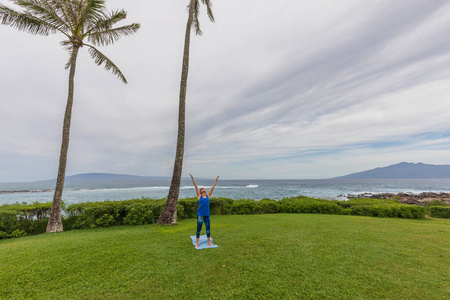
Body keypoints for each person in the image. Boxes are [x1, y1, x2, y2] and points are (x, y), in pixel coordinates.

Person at [189, 174, 219, 248]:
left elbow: (213, 187)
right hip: (200, 215)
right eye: (202, 189)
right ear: (201, 191)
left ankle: (209, 242)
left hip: (207, 215)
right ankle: (197, 243)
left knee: (208, 228)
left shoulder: (208, 195)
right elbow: (196, 186)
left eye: (204, 188)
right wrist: (192, 178)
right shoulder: (199, 196)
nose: (203, 189)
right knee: (198, 229)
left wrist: (215, 180)